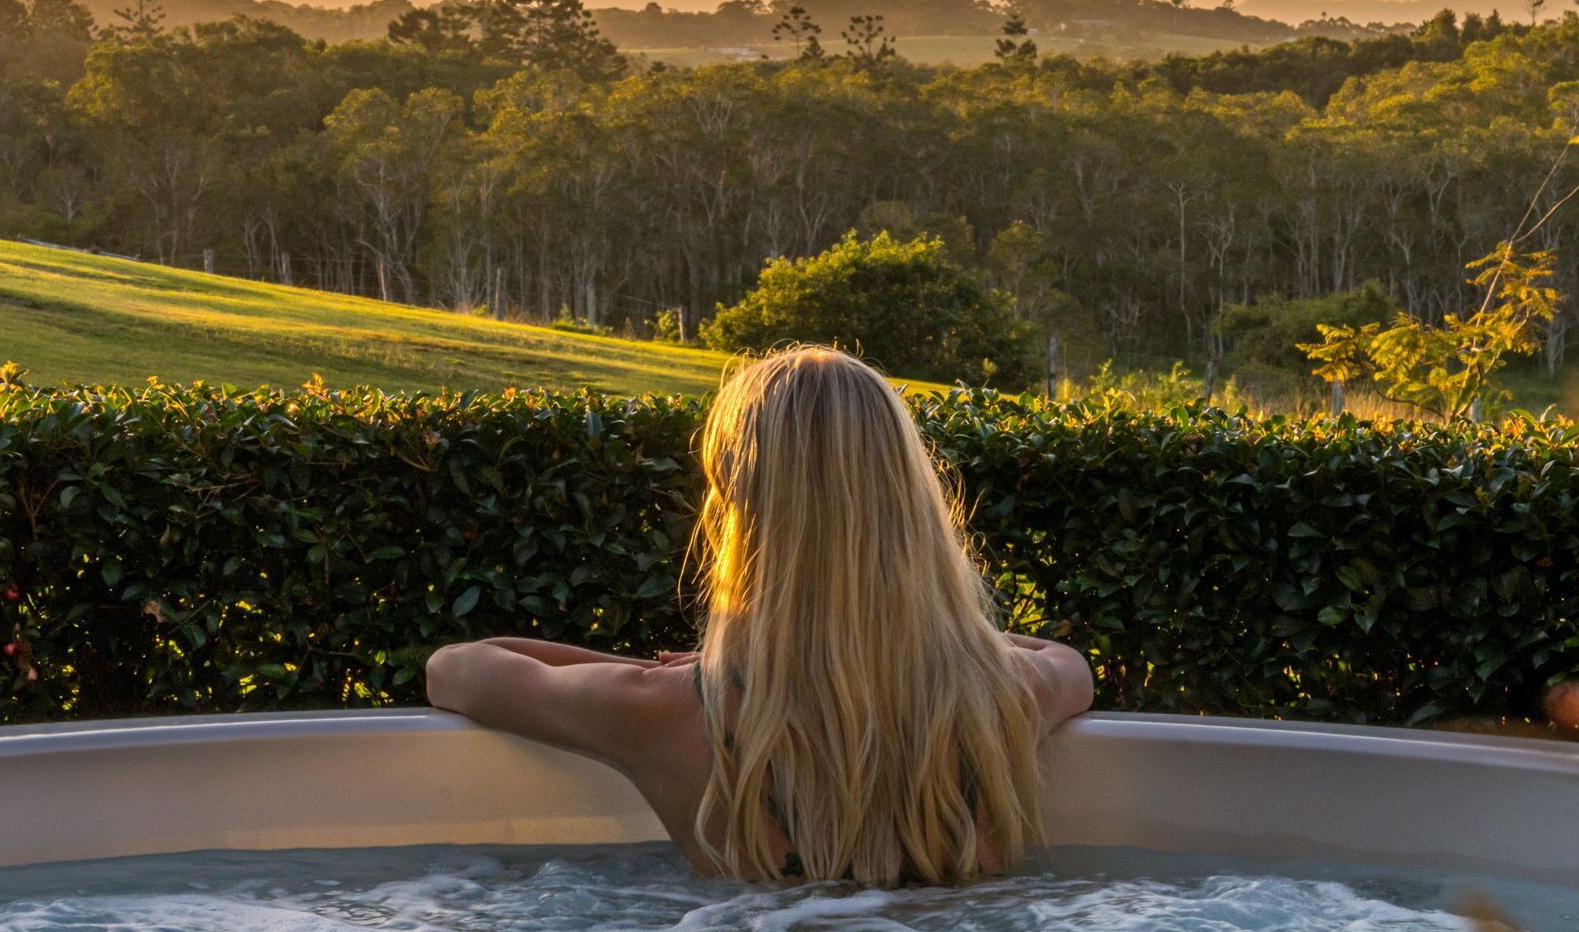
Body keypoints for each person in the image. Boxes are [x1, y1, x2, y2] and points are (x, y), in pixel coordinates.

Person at [425, 346, 1093, 886]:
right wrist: (954, 640)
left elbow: (458, 668)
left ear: (739, 511)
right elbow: (1070, 665)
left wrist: (687, 675)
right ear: (912, 506)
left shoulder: (665, 711)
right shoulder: (1005, 692)